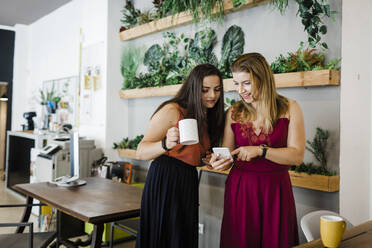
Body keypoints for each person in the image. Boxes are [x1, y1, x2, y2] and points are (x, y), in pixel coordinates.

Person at [210, 53, 305, 248]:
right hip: (241, 189)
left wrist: (261, 151)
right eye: (236, 84)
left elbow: (297, 155)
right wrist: (218, 161)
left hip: (276, 190)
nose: (240, 90)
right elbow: (228, 156)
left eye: (246, 83)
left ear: (263, 79)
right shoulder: (234, 112)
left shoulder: (290, 108)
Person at [135, 63, 225, 248]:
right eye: (205, 90)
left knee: (182, 238)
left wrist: (205, 160)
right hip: (165, 180)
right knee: (164, 237)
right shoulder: (172, 110)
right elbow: (141, 151)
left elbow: (192, 155)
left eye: (217, 90)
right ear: (193, 88)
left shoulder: (208, 115)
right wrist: (165, 144)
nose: (212, 96)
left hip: (188, 179)